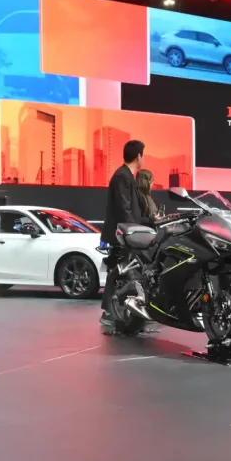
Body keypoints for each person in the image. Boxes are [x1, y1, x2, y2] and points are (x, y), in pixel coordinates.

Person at [100, 140, 148, 327]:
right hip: (123, 235)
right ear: (138, 156)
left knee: (123, 272)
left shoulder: (126, 176)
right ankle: (108, 313)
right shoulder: (122, 177)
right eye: (143, 155)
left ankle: (120, 313)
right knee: (117, 272)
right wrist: (134, 232)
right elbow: (124, 208)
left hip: (127, 233)